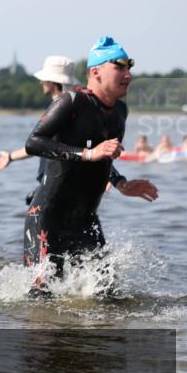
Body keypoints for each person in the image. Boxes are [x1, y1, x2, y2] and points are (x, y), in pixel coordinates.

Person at [23, 36, 158, 297]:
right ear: (95, 72)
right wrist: (87, 153)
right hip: (48, 219)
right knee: (42, 300)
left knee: (107, 295)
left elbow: (102, 156)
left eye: (130, 67)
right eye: (120, 67)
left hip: (85, 221)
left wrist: (121, 184)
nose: (128, 75)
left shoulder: (120, 111)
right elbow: (33, 143)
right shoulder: (71, 102)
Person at [0, 56, 79, 204]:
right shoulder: (76, 106)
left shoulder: (59, 109)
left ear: (52, 82)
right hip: (65, 184)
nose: (41, 82)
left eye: (44, 79)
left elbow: (39, 144)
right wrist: (11, 156)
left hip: (56, 184)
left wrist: (11, 157)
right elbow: (44, 145)